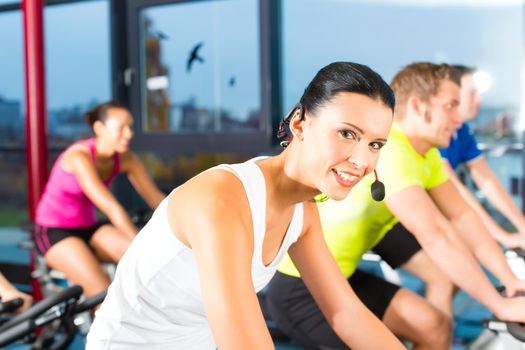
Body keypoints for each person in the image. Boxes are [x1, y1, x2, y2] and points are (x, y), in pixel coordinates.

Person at [86, 62, 405, 349]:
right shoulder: (221, 198)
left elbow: (345, 314)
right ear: (299, 124)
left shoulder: (303, 212)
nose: (362, 160)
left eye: (375, 144)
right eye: (347, 133)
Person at [266, 62, 525, 350]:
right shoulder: (393, 152)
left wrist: (510, 281)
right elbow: (436, 234)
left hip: (344, 271)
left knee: (434, 325)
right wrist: (499, 306)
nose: (459, 117)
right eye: (451, 106)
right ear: (417, 106)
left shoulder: (427, 157)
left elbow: (463, 216)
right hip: (300, 289)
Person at [34, 101, 165, 298]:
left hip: (89, 227)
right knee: (105, 296)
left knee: (153, 265)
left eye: (130, 127)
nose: (128, 134)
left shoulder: (127, 159)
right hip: (54, 231)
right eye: (121, 128)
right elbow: (111, 207)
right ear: (99, 128)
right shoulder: (80, 157)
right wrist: (140, 245)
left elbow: (157, 200)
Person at [440, 64, 525, 249]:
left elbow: (487, 181)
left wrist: (522, 226)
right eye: (473, 93)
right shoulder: (436, 134)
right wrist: (504, 237)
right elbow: (456, 191)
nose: (480, 99)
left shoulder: (461, 131)